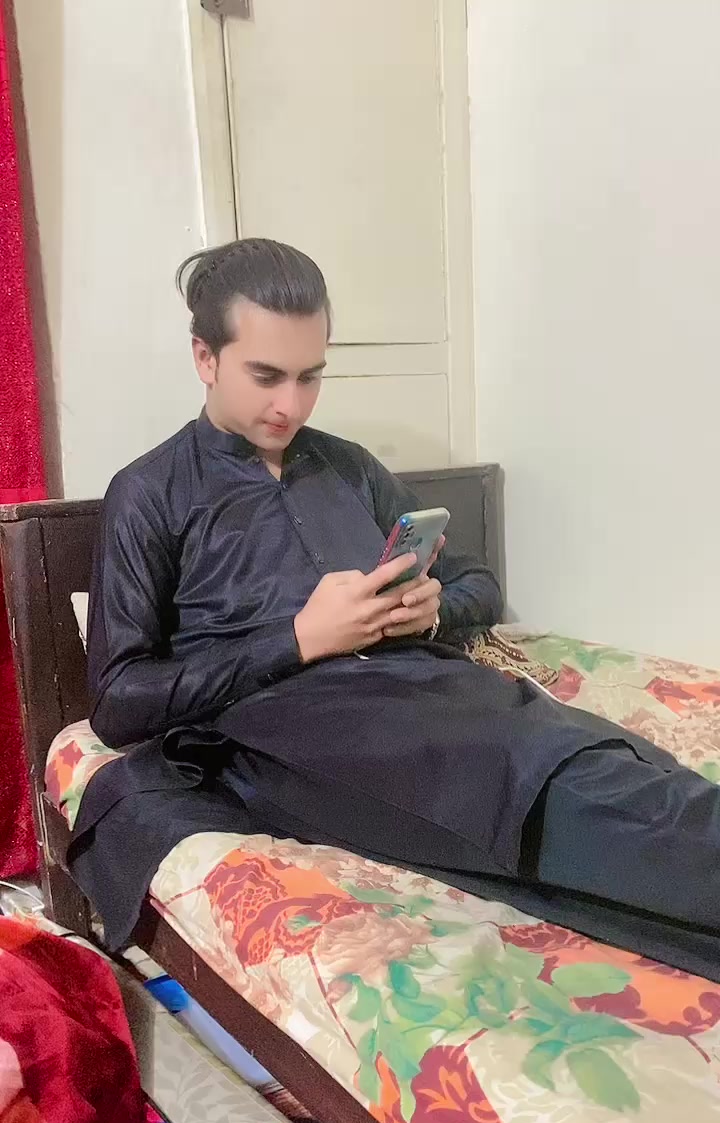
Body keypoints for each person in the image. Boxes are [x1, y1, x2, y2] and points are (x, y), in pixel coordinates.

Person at [81, 238, 719, 968]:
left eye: (310, 377)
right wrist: (299, 638)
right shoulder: (149, 494)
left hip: (435, 688)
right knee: (555, 788)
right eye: (266, 376)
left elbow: (479, 582)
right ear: (205, 357)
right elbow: (118, 702)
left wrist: (432, 611)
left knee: (619, 763)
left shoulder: (348, 466)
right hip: (299, 730)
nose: (291, 404)